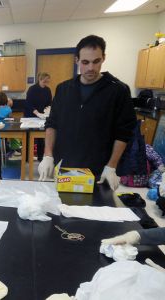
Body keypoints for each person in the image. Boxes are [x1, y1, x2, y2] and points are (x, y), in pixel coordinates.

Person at [38, 35, 136, 190]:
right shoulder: (64, 89)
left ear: (103, 58)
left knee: (95, 211)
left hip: (98, 171)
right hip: (65, 167)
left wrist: (111, 166)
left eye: (96, 61)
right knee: (62, 211)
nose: (91, 67)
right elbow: (52, 123)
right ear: (76, 60)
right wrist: (48, 154)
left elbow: (123, 133)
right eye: (85, 62)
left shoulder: (118, 91)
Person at [25, 72, 52, 161]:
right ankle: (27, 158)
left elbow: (49, 102)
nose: (46, 84)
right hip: (30, 116)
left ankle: (40, 158)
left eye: (47, 82)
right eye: (44, 82)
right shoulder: (32, 89)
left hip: (41, 117)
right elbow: (29, 103)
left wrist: (48, 109)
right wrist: (37, 113)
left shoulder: (47, 90)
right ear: (40, 79)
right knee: (28, 138)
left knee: (41, 138)